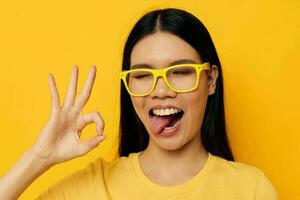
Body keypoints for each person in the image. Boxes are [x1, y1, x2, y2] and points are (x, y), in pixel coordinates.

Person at [0, 8, 278, 200]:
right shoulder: (96, 186)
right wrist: (39, 158)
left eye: (180, 72)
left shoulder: (250, 189)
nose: (160, 90)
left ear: (211, 80)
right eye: (143, 75)